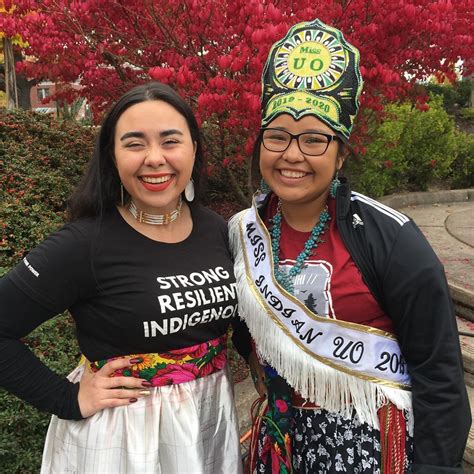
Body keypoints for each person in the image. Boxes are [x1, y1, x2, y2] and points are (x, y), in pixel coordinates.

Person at [229, 18, 470, 473]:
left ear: (340, 154)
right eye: (277, 136)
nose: (292, 154)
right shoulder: (243, 233)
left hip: (370, 446)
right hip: (279, 440)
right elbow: (243, 331)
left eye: (314, 139)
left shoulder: (391, 240)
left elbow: (439, 377)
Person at [0, 81, 248, 473]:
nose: (154, 158)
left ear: (194, 148)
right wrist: (66, 398)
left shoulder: (216, 229)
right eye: (134, 143)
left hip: (208, 421)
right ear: (112, 157)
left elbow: (240, 318)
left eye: (170, 141)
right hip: (124, 440)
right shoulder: (85, 244)